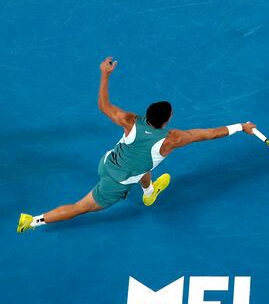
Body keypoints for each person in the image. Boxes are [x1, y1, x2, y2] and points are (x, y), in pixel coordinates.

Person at [17, 57, 256, 233]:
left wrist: (105, 74)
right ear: (168, 119)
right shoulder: (173, 139)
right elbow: (209, 134)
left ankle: (149, 193)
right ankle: (34, 221)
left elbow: (103, 106)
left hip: (108, 162)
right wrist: (240, 126)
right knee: (81, 207)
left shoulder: (129, 121)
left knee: (144, 165)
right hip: (116, 182)